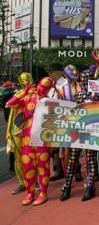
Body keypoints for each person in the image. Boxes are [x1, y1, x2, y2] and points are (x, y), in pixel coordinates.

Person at [7, 77, 54, 205]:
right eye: (41, 85)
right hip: (27, 138)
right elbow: (10, 103)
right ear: (38, 84)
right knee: (28, 166)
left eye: (46, 87)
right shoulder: (29, 98)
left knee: (42, 166)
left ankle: (43, 193)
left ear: (50, 89)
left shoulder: (51, 102)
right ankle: (30, 193)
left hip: (42, 139)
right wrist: (24, 92)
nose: (42, 88)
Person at [59, 64, 96, 202]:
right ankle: (67, 186)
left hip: (90, 127)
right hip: (74, 127)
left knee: (90, 157)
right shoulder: (63, 89)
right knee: (72, 158)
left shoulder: (89, 88)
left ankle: (90, 186)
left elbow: (98, 101)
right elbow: (60, 108)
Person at [6, 72, 35, 195]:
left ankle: (34, 181)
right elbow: (10, 104)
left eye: (26, 79)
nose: (24, 82)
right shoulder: (19, 94)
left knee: (31, 157)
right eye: (22, 80)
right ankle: (22, 183)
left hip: (28, 129)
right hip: (15, 129)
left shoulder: (34, 94)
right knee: (17, 158)